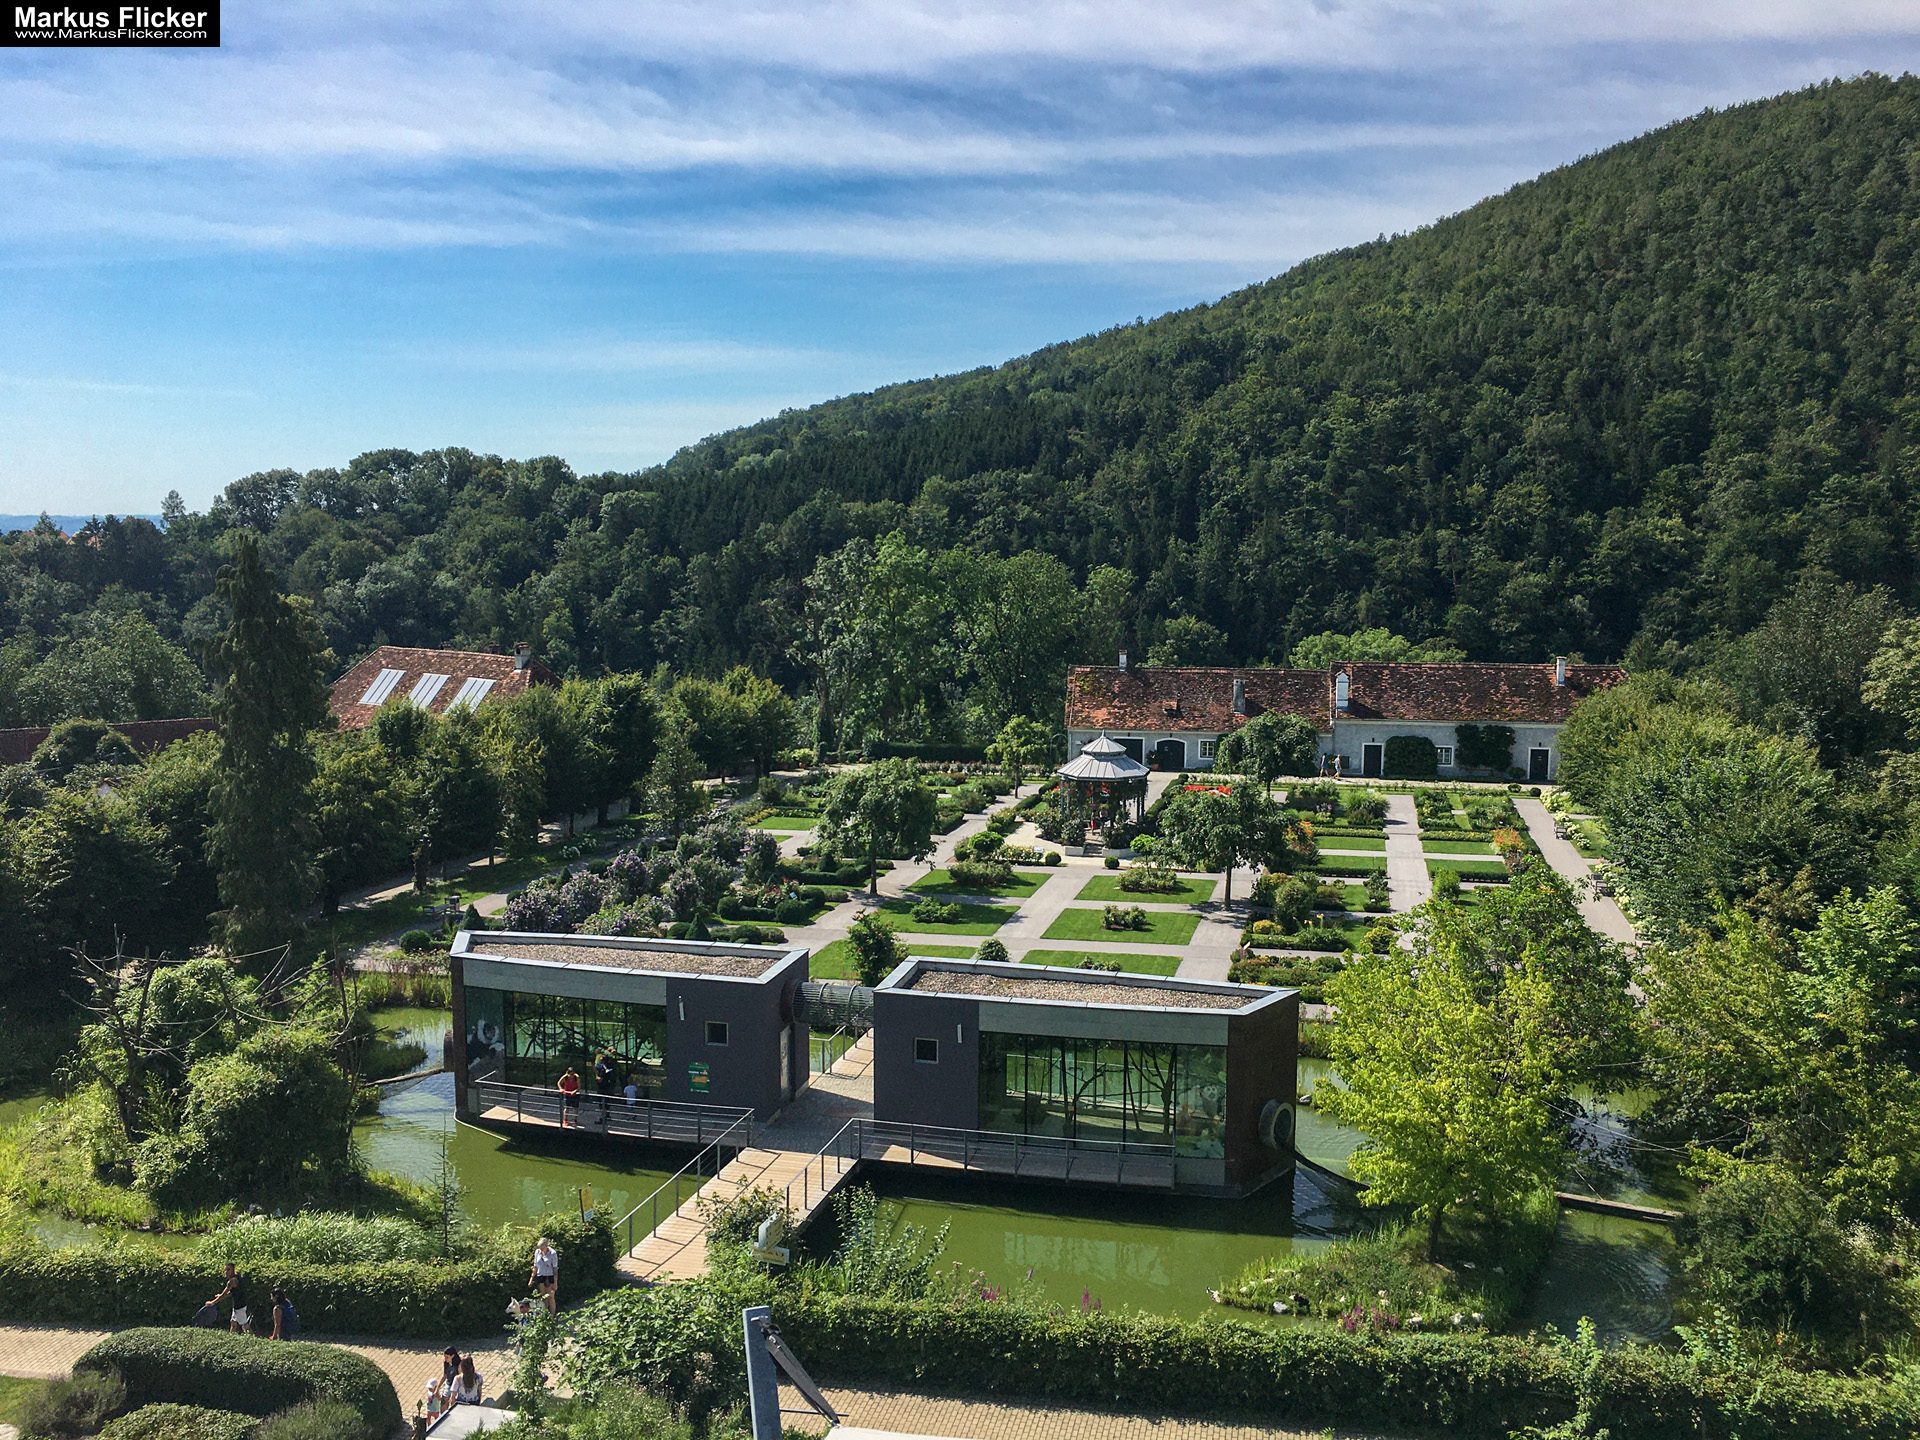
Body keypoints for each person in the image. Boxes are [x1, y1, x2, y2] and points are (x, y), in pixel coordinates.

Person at [218, 1262, 251, 1334]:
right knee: (233, 1323)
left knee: (245, 1326)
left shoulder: (232, 1281)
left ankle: (253, 1340)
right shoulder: (237, 1276)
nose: (226, 1272)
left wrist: (212, 1303)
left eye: (228, 1270)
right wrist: (221, 1295)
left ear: (233, 1270)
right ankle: (230, 1338)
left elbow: (223, 1295)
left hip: (239, 1307)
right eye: (225, 1270)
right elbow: (231, 1292)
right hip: (238, 1305)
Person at [529, 1236, 559, 1314]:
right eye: (539, 1248)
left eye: (542, 1248)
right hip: (541, 1276)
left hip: (550, 1276)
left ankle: (552, 1316)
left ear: (546, 1246)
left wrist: (555, 1282)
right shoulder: (537, 1252)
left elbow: (555, 1269)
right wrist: (531, 1279)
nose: (541, 1250)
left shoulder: (552, 1253)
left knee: (550, 1296)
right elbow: (535, 1266)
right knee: (543, 1297)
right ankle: (546, 1314)